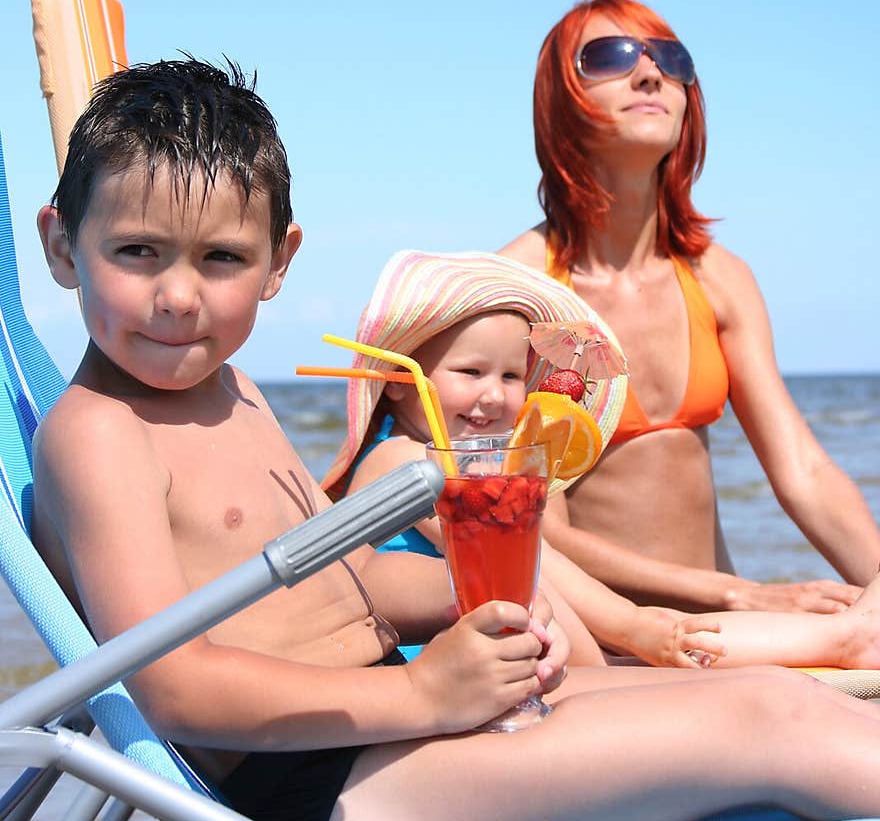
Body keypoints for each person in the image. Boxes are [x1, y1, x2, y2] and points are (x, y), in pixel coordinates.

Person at [30, 56, 880, 821]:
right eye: (137, 251)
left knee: (785, 692)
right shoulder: (98, 433)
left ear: (279, 263)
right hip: (322, 784)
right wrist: (425, 697)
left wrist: (480, 598)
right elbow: (170, 687)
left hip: (382, 726)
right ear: (64, 247)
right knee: (762, 718)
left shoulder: (235, 391)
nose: (179, 297)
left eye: (221, 258)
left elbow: (348, 581)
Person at [499, 0, 880, 615]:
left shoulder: (719, 278)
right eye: (611, 56)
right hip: (605, 642)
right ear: (560, 97)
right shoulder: (519, 290)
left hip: (728, 627)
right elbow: (540, 530)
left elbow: (803, 472)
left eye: (671, 59)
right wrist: (742, 593)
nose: (650, 72)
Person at [327, 246, 880, 674]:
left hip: (509, 654)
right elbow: (537, 559)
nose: (494, 396)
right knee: (658, 645)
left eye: (512, 376)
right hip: (443, 669)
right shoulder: (399, 462)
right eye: (470, 374)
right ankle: (847, 638)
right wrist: (631, 625)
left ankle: (847, 636)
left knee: (664, 641)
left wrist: (633, 629)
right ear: (399, 384)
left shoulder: (470, 465)